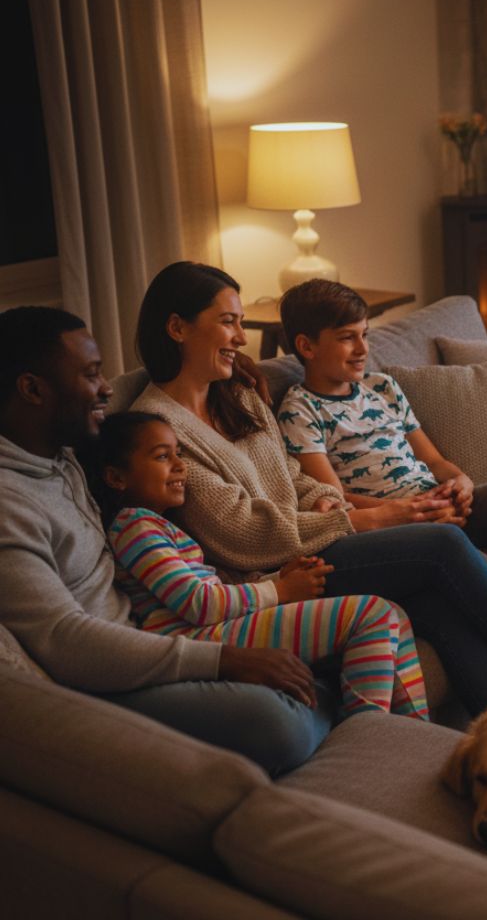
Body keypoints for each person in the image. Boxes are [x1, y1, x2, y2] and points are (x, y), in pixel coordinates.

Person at [130, 261, 487, 716]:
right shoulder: (158, 429)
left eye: (242, 323)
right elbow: (241, 532)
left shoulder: (238, 396)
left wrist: (325, 500)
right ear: (177, 328)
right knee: (441, 543)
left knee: (437, 605)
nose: (242, 338)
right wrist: (369, 517)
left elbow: (291, 476)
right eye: (229, 322)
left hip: (319, 537)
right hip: (283, 570)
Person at [0, 306, 329, 775]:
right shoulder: (9, 505)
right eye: (91, 375)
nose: (106, 388)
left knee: (331, 635)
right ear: (33, 390)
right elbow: (64, 640)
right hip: (104, 682)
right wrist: (223, 660)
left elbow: (136, 396)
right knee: (278, 724)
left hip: (156, 635)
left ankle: (324, 698)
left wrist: (230, 367)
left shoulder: (61, 448)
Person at [275, 279, 487, 673]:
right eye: (346, 338)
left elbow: (435, 461)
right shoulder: (300, 409)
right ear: (307, 347)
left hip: (438, 503)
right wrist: (411, 511)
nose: (362, 348)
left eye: (365, 335)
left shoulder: (382, 387)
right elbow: (335, 500)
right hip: (397, 528)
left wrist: (461, 482)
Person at [94, 410, 429, 722]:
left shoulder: (157, 526)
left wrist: (278, 577)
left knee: (395, 615)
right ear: (115, 477)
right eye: (162, 456)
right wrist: (280, 590)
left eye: (178, 454)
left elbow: (209, 595)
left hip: (207, 629)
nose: (181, 465)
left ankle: (416, 734)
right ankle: (369, 739)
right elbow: (200, 604)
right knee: (372, 614)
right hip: (192, 641)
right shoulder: (135, 526)